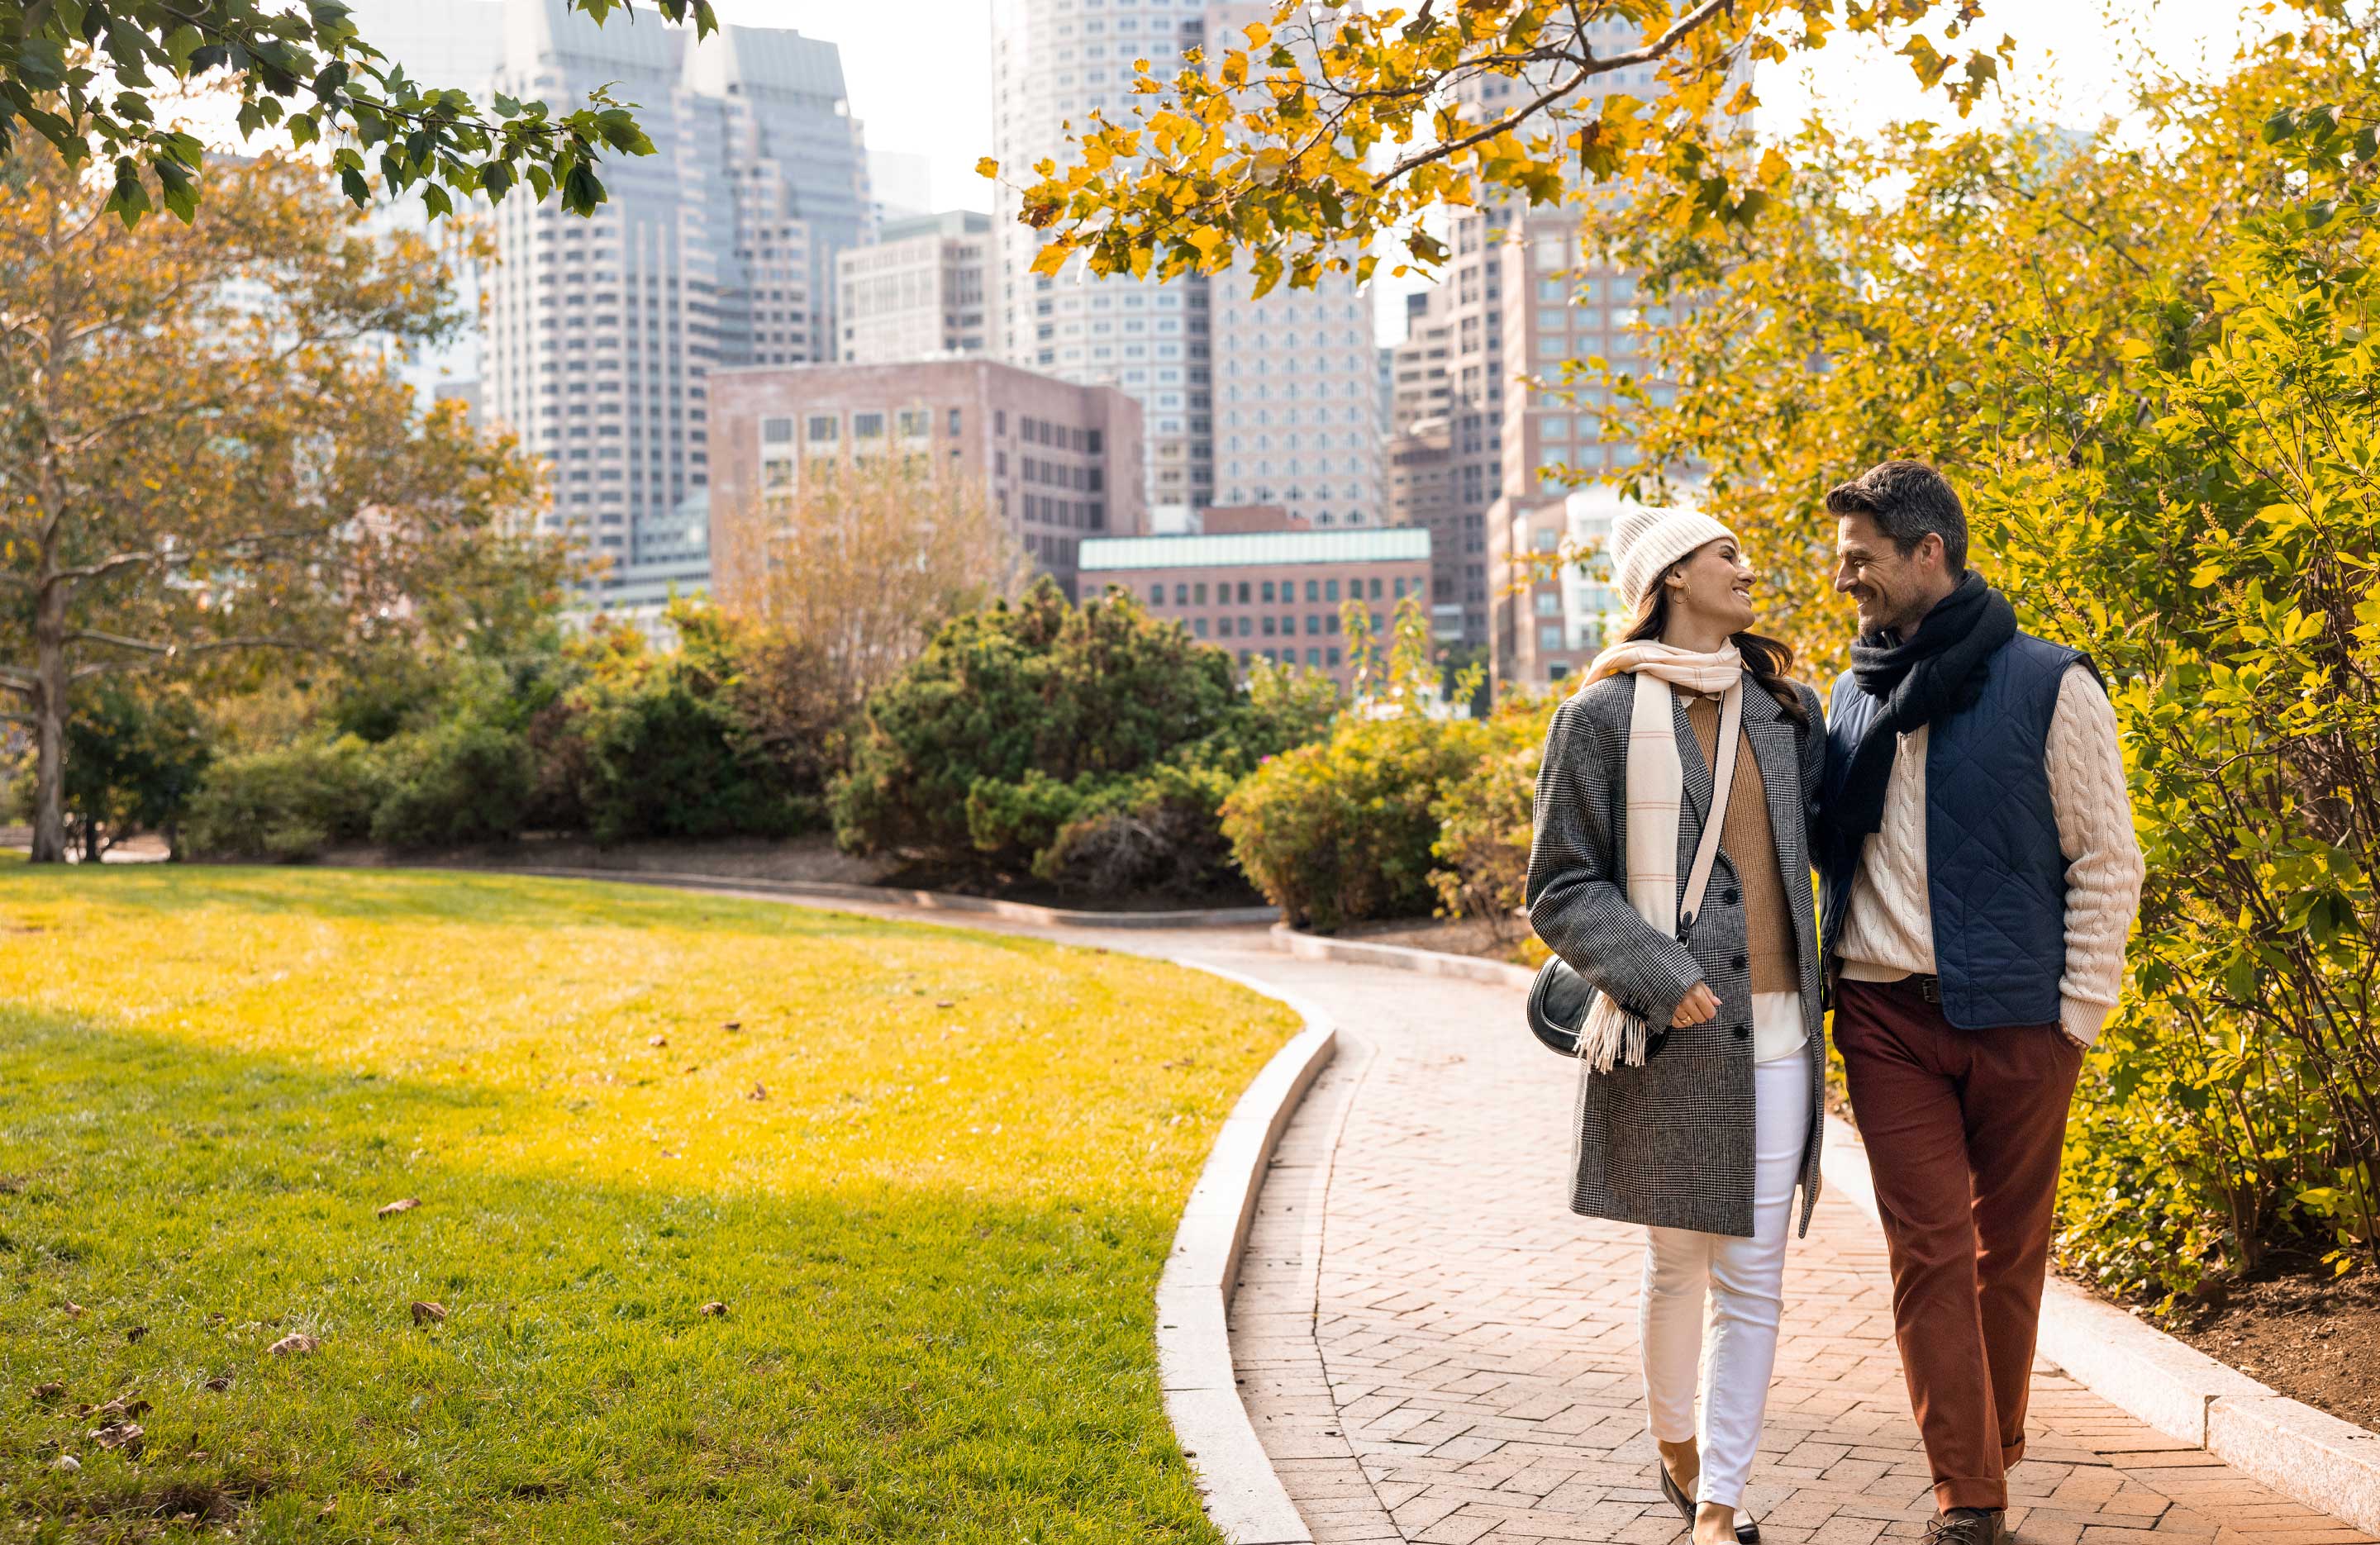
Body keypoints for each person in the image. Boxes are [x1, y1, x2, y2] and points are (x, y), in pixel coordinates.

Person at [1817, 461, 2144, 1545]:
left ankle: (1984, 1439)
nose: (1846, 581)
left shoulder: (2053, 684)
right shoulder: (1852, 691)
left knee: (2012, 1247)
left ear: (1928, 554)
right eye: (1841, 560)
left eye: (1862, 560)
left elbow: (2108, 861)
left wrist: (2074, 1019)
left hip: (2020, 1022)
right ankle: (1970, 1491)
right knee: (1930, 1252)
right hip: (1882, 1015)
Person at [1527, 505, 1828, 1545]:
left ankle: (1718, 1504)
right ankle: (1678, 1448)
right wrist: (1661, 972)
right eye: (1726, 554)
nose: (1748, 568)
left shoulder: (1787, 713)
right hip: (1668, 1030)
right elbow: (1560, 886)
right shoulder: (1599, 718)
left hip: (1784, 1027)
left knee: (1753, 1276)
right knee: (1677, 1266)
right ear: (1671, 579)